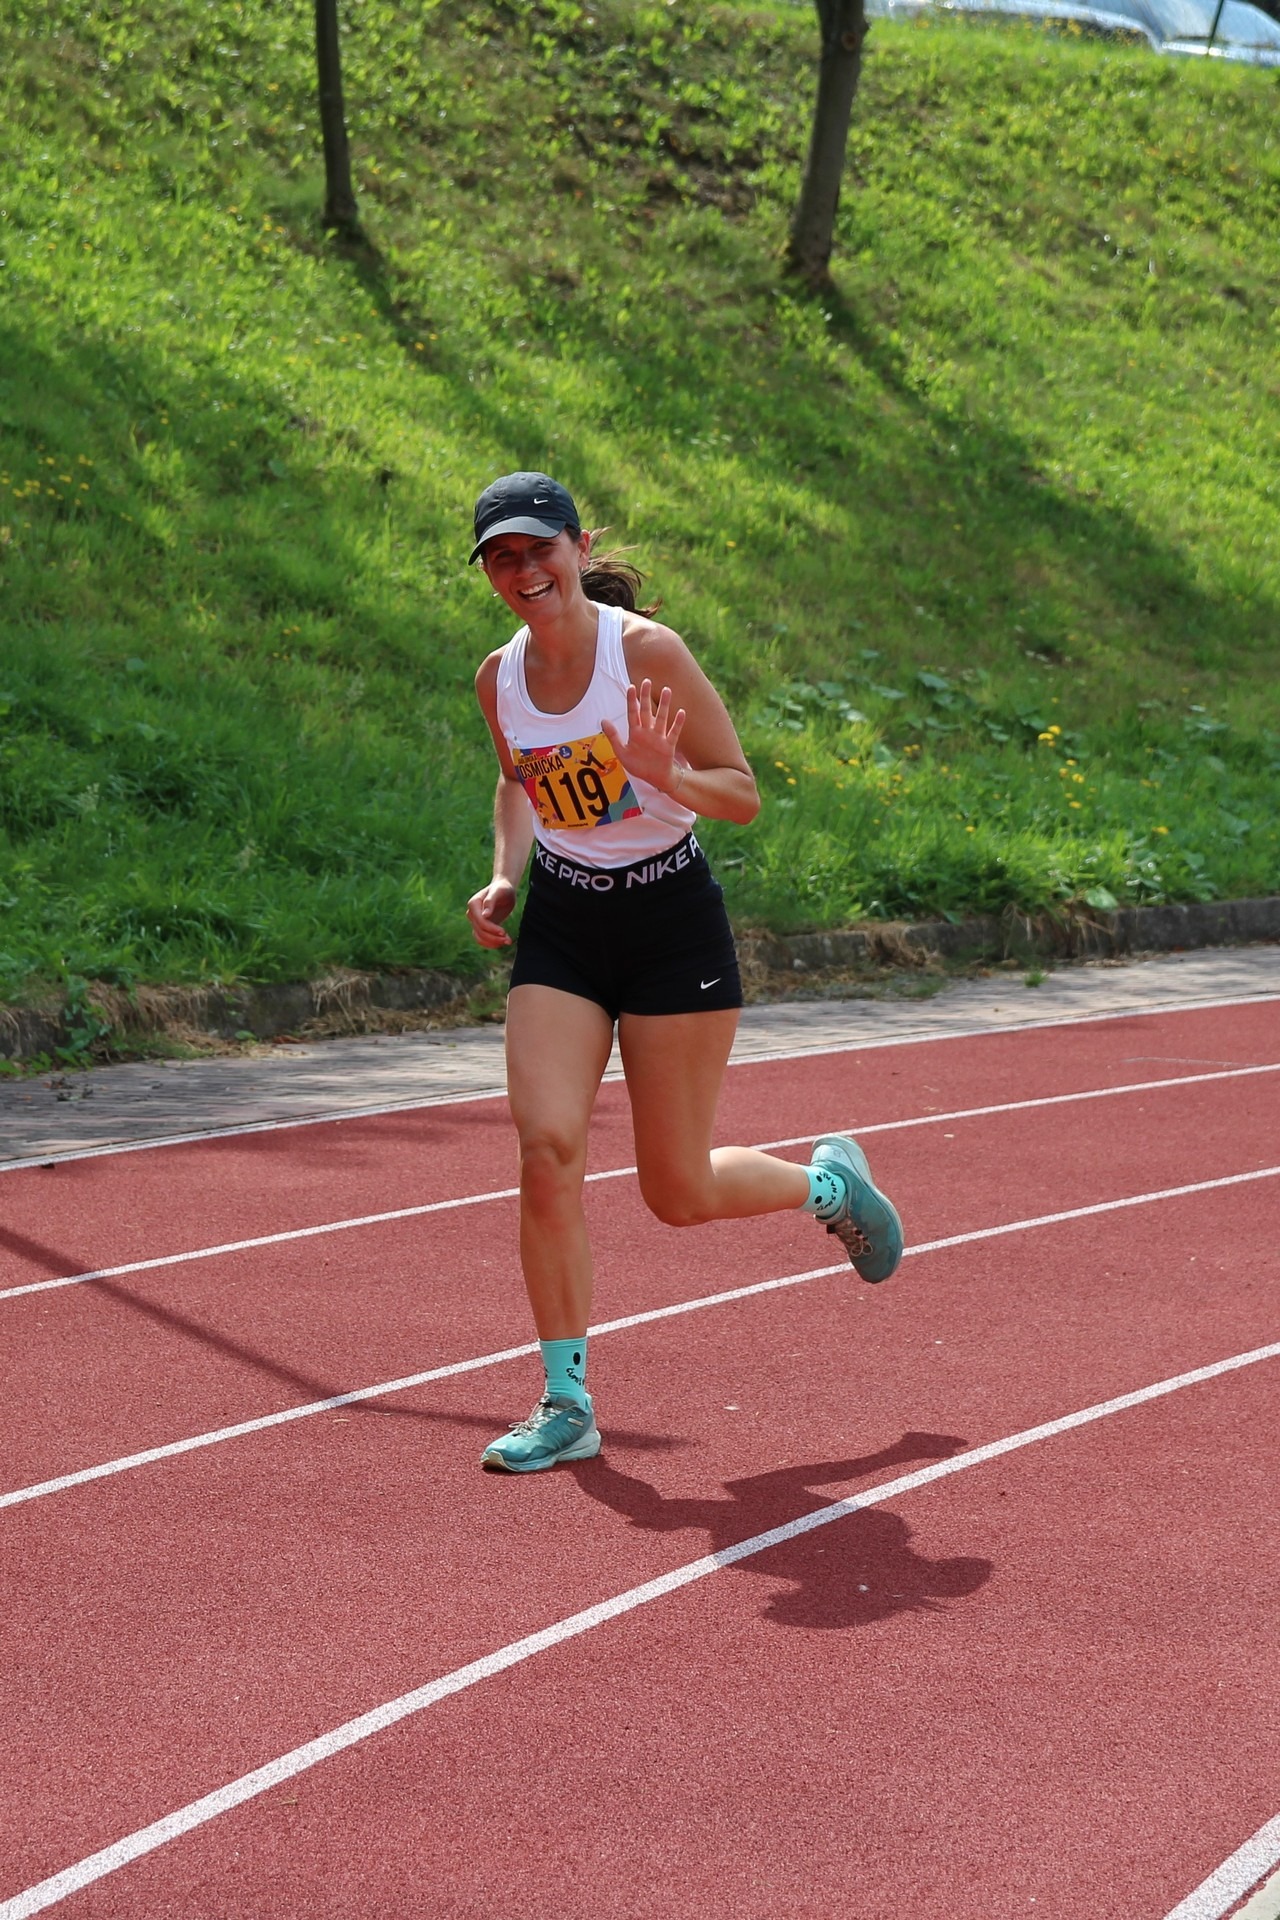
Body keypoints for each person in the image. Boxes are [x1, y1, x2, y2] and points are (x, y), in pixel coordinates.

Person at [465, 472, 904, 1473]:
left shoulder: (647, 654)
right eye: (502, 557)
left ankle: (828, 1185)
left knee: (677, 1190)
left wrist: (665, 775)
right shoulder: (498, 678)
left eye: (539, 548)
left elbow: (741, 793)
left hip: (669, 924)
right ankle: (565, 1401)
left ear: (579, 548)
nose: (524, 570)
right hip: (565, 924)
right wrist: (503, 877)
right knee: (546, 1150)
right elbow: (516, 780)